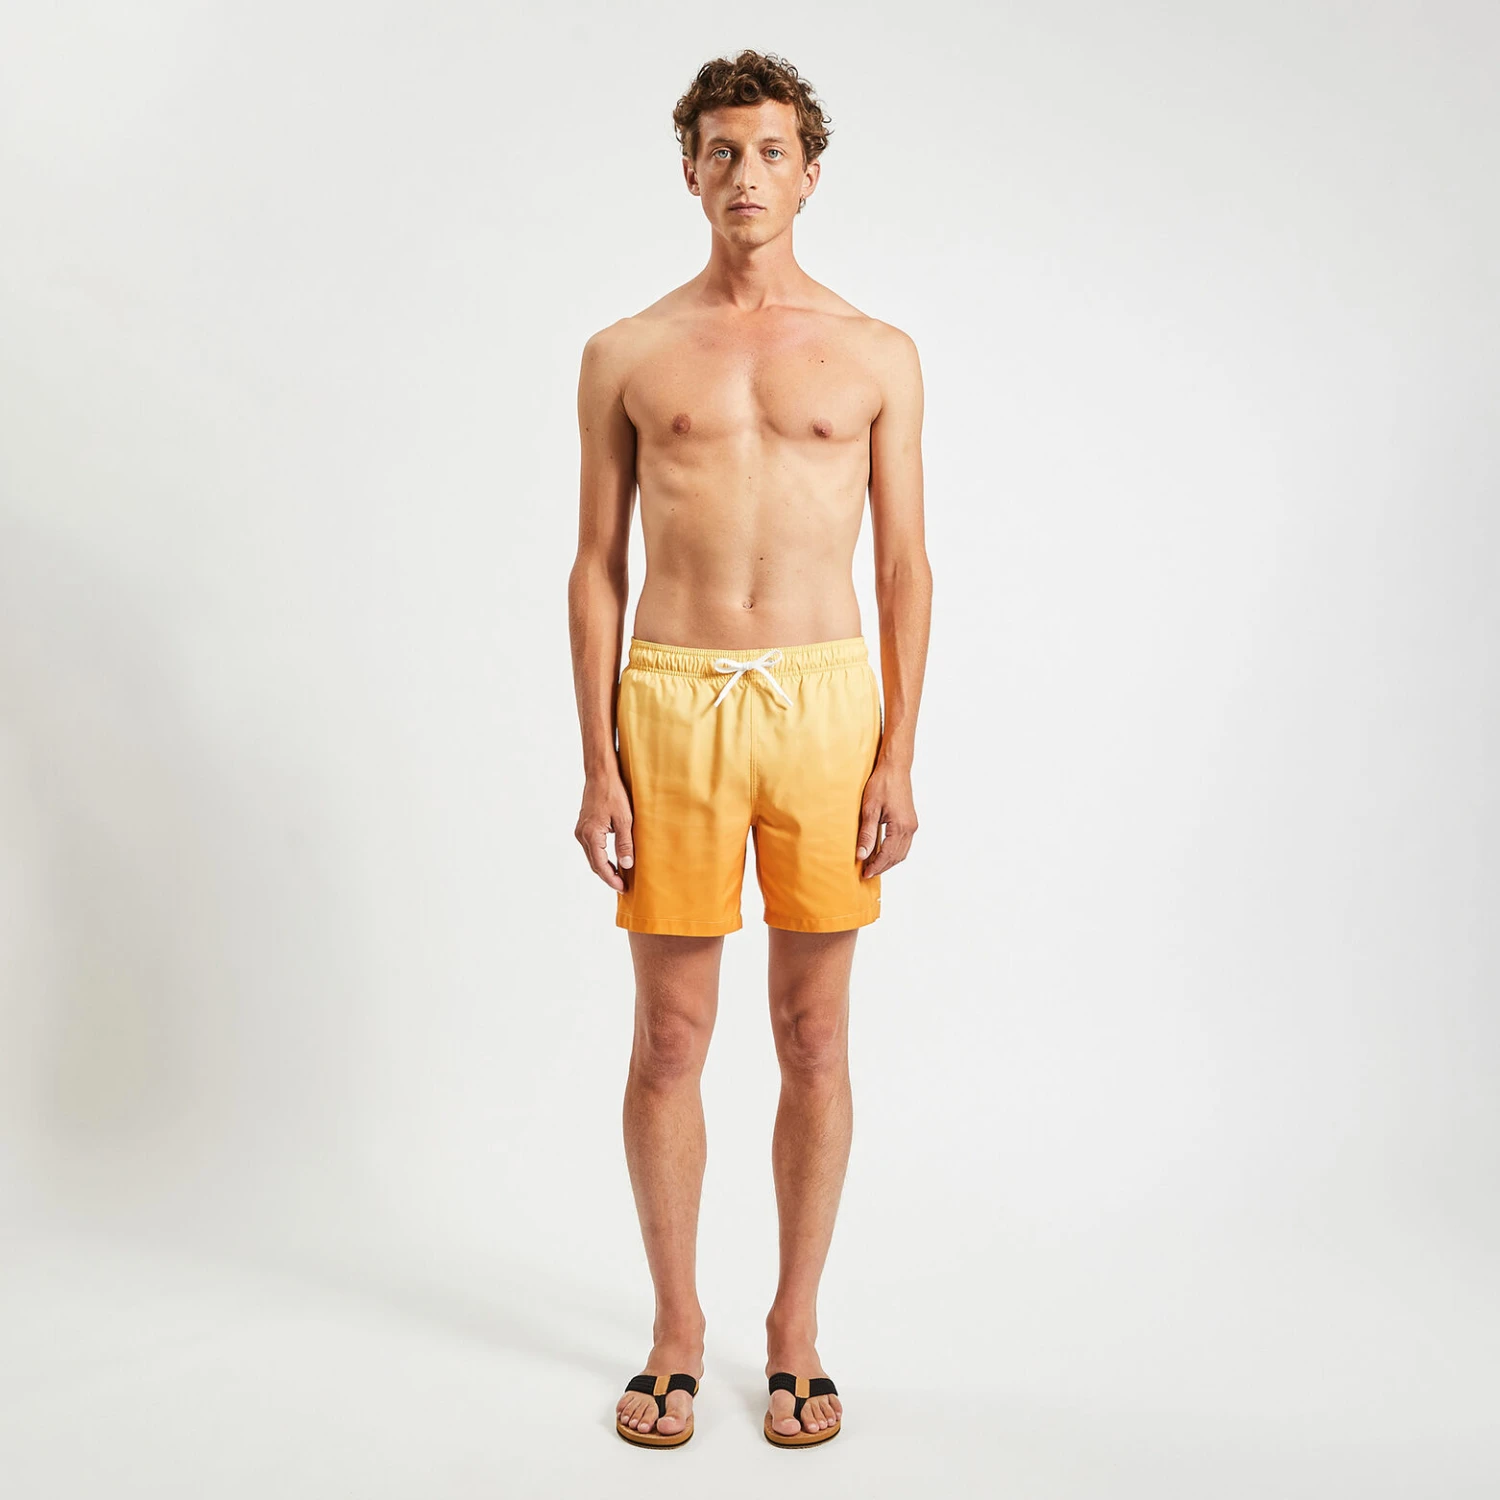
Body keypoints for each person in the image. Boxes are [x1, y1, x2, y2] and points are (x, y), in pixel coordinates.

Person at [568, 48, 931, 1449]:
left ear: (809, 173)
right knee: (670, 1036)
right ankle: (676, 1328)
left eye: (771, 151)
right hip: (672, 699)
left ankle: (795, 1329)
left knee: (813, 1032)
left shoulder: (877, 353)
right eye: (722, 151)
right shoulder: (627, 352)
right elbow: (597, 566)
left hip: (827, 704)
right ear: (690, 171)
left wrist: (899, 753)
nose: (745, 175)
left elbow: (905, 567)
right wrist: (597, 760)